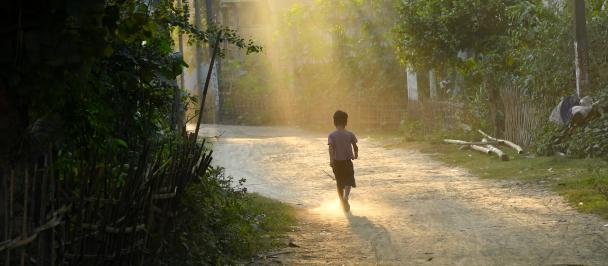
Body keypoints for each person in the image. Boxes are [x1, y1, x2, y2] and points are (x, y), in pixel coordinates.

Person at [328, 110, 358, 212]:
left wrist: (331, 160)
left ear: (334, 122)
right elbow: (355, 145)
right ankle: (346, 198)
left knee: (339, 183)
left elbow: (331, 148)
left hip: (337, 162)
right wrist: (355, 155)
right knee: (349, 180)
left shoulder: (332, 135)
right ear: (346, 121)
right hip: (347, 162)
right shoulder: (350, 134)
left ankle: (341, 201)